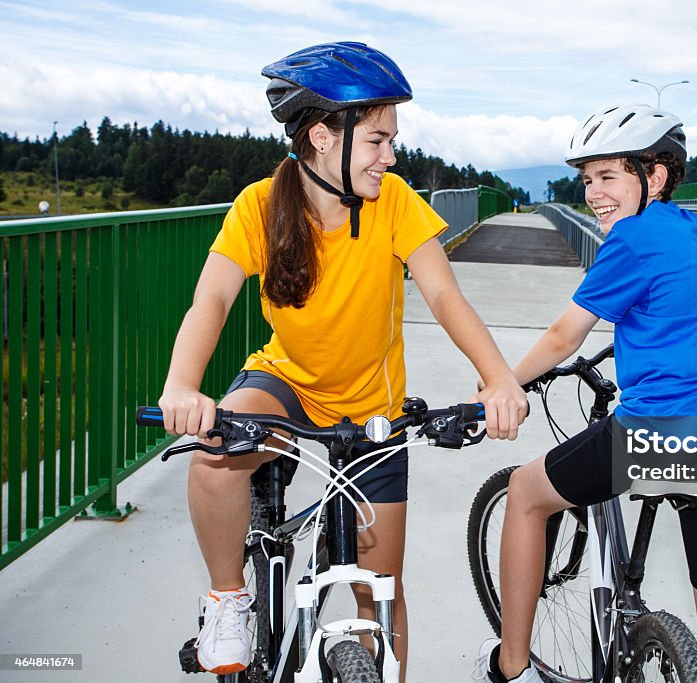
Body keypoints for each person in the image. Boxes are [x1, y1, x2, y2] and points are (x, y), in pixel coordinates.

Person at [157, 41, 528, 678]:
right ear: (325, 136)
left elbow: (443, 293)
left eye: (392, 141)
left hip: (373, 416)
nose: (392, 156)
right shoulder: (259, 207)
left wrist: (497, 378)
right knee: (215, 457)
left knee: (377, 591)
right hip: (286, 387)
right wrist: (184, 386)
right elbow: (212, 299)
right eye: (379, 140)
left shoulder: (394, 203)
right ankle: (228, 601)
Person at [474, 104, 697, 683]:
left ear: (653, 176)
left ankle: (511, 669)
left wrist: (502, 382)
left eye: (609, 176)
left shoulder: (632, 239)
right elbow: (684, 314)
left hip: (665, 437)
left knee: (526, 492)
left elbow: (564, 335)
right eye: (587, 179)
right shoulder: (690, 229)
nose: (594, 193)